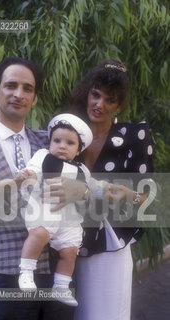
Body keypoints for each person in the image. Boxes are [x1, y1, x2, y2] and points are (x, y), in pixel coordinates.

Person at [0, 57, 88, 320]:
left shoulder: (53, 142)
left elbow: (88, 188)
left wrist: (79, 191)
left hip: (55, 272)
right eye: (10, 86)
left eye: (27, 88)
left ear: (35, 97)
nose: (19, 94)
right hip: (3, 277)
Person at [69, 59, 153, 320]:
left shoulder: (134, 136)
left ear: (119, 105)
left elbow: (150, 198)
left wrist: (130, 196)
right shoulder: (66, 135)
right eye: (96, 95)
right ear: (87, 92)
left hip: (110, 249)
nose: (99, 105)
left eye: (110, 100)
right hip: (67, 248)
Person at [18, 113, 93, 307]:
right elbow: (32, 172)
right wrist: (28, 176)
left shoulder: (82, 170)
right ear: (49, 142)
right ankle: (26, 272)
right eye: (57, 140)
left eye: (69, 143)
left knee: (70, 250)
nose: (62, 146)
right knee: (40, 233)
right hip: (45, 206)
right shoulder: (43, 156)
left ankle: (61, 286)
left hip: (69, 215)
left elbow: (88, 190)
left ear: (78, 150)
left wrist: (84, 191)